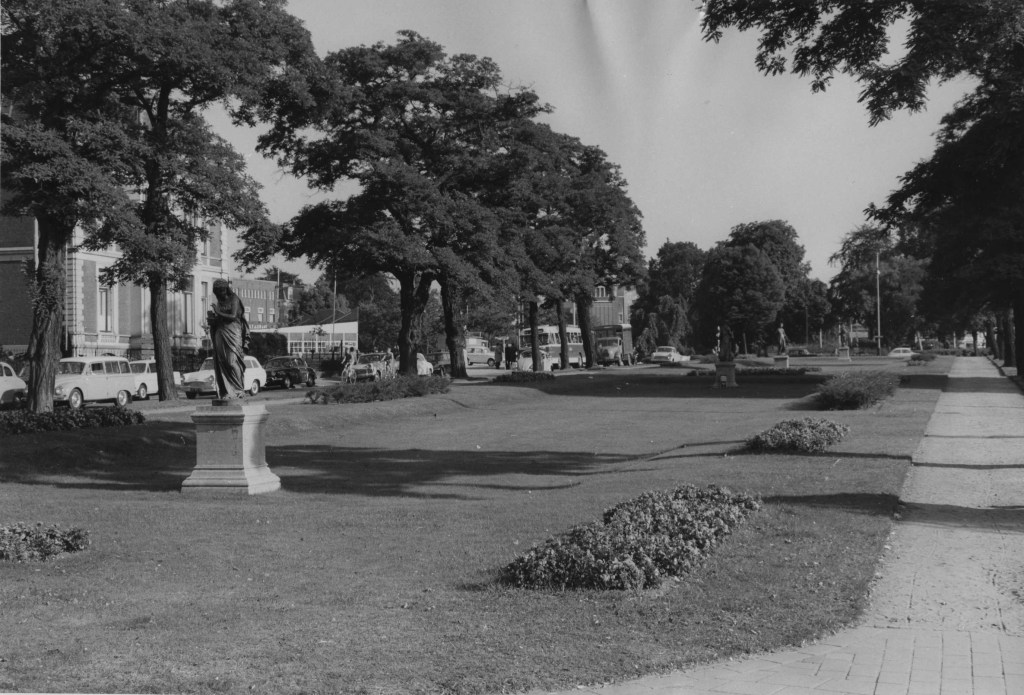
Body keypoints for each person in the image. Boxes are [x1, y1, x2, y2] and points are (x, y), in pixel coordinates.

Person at [207, 279, 249, 400]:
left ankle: (239, 389)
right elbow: (220, 319)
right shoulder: (219, 302)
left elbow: (233, 316)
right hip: (221, 332)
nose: (221, 293)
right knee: (222, 362)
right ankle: (227, 391)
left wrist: (218, 312)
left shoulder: (234, 299)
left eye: (223, 289)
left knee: (231, 361)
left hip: (234, 332)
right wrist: (212, 321)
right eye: (218, 291)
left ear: (226, 289)